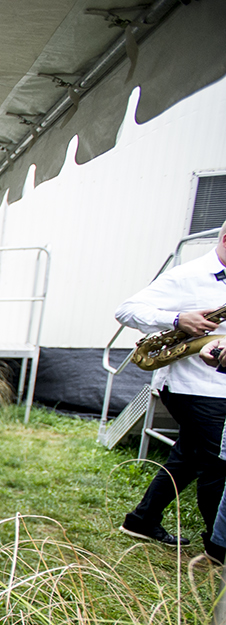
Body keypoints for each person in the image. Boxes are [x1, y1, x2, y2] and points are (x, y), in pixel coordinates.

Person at [116, 219, 226, 557]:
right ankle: (218, 546)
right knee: (217, 465)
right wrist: (178, 320)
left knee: (189, 458)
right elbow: (126, 310)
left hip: (218, 385)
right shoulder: (186, 276)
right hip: (195, 386)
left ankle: (141, 519)